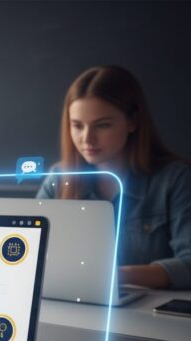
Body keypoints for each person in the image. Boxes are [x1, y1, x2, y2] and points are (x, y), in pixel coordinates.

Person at [37, 65, 191, 290]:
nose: (87, 138)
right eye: (77, 126)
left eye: (103, 125)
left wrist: (117, 276)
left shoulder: (175, 179)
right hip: (74, 305)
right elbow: (31, 250)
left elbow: (188, 264)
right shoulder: (59, 178)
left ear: (133, 122)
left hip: (149, 315)